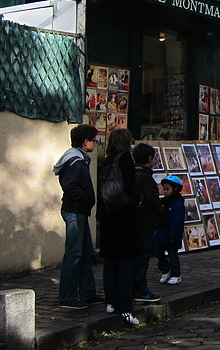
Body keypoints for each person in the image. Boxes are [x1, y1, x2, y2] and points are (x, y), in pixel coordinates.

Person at [53, 124, 102, 310]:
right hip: (74, 211)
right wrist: (87, 198)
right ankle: (67, 296)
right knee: (74, 254)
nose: (95, 144)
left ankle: (87, 293)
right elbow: (70, 186)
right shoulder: (75, 160)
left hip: (80, 211)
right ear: (86, 142)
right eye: (94, 140)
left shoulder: (79, 158)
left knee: (86, 253)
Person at [99, 128, 142, 326]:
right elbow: (131, 187)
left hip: (109, 215)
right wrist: (137, 199)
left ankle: (110, 301)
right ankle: (125, 306)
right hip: (125, 215)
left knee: (111, 260)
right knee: (127, 261)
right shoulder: (125, 159)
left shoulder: (107, 160)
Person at [132, 143, 163, 303]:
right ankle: (140, 289)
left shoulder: (133, 174)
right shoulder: (146, 177)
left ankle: (134, 287)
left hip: (134, 221)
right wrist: (161, 213)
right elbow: (152, 200)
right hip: (145, 222)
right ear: (150, 158)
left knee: (136, 256)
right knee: (143, 257)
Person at [155, 175, 184, 285]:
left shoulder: (177, 204)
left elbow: (177, 221)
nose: (165, 191)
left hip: (172, 233)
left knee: (172, 255)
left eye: (168, 189)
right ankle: (166, 270)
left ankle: (176, 274)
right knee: (157, 251)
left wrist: (173, 235)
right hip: (162, 231)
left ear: (175, 189)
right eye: (164, 189)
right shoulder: (164, 202)